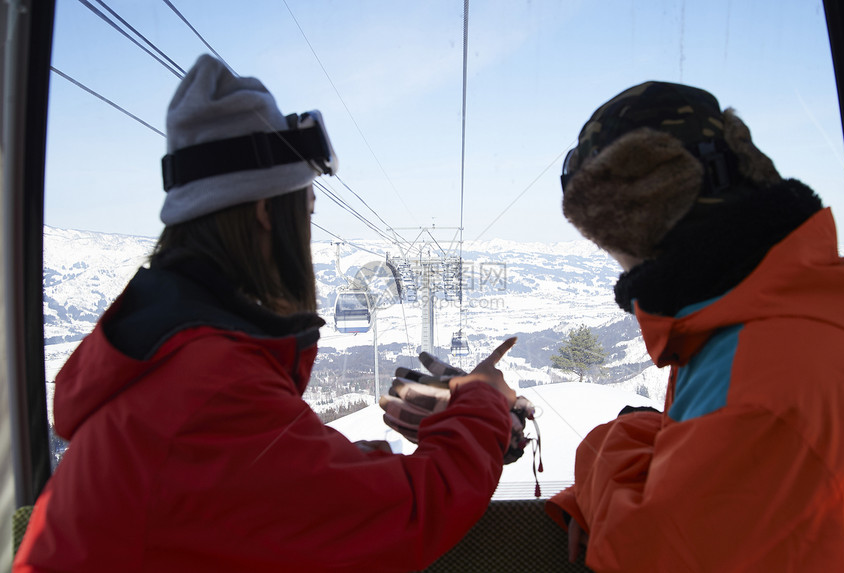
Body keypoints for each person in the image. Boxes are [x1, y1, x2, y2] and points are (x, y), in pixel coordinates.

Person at [13, 54, 518, 573]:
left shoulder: (164, 361)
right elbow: (412, 514)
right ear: (265, 215)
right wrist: (480, 401)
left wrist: (397, 449)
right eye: (307, 214)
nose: (308, 235)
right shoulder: (207, 388)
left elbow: (275, 488)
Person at [545, 81, 844, 571]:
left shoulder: (754, 377)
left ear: (631, 222)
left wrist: (611, 445)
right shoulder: (818, 307)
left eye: (607, 241)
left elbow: (645, 556)